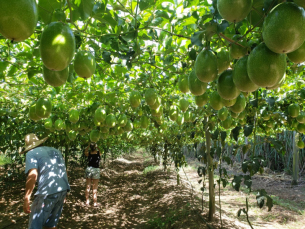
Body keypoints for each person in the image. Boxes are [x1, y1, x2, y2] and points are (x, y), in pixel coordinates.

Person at [21, 133, 70, 229]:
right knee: (50, 225)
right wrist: (63, 192)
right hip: (62, 189)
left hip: (47, 193)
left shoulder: (31, 153)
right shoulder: (56, 151)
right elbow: (64, 171)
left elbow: (33, 175)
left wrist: (27, 198)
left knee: (35, 226)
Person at [84, 142, 101, 207]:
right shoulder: (98, 153)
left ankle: (87, 201)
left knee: (88, 186)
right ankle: (95, 202)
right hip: (96, 170)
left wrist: (88, 146)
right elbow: (100, 151)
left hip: (89, 169)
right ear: (95, 147)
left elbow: (85, 151)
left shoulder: (89, 153)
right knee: (95, 187)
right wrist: (97, 147)